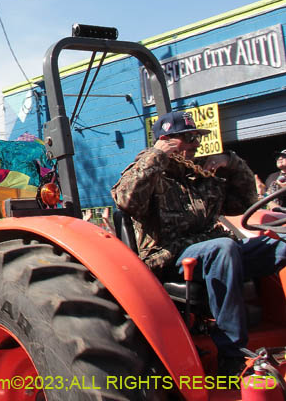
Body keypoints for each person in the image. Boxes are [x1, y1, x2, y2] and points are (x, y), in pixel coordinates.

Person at [112, 110, 286, 376]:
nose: (195, 144)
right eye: (188, 138)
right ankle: (232, 356)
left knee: (281, 242)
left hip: (217, 252)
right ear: (167, 140)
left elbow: (244, 202)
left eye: (196, 137)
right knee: (223, 248)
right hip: (171, 256)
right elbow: (126, 200)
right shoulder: (149, 172)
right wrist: (157, 155)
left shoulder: (201, 176)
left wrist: (231, 161)